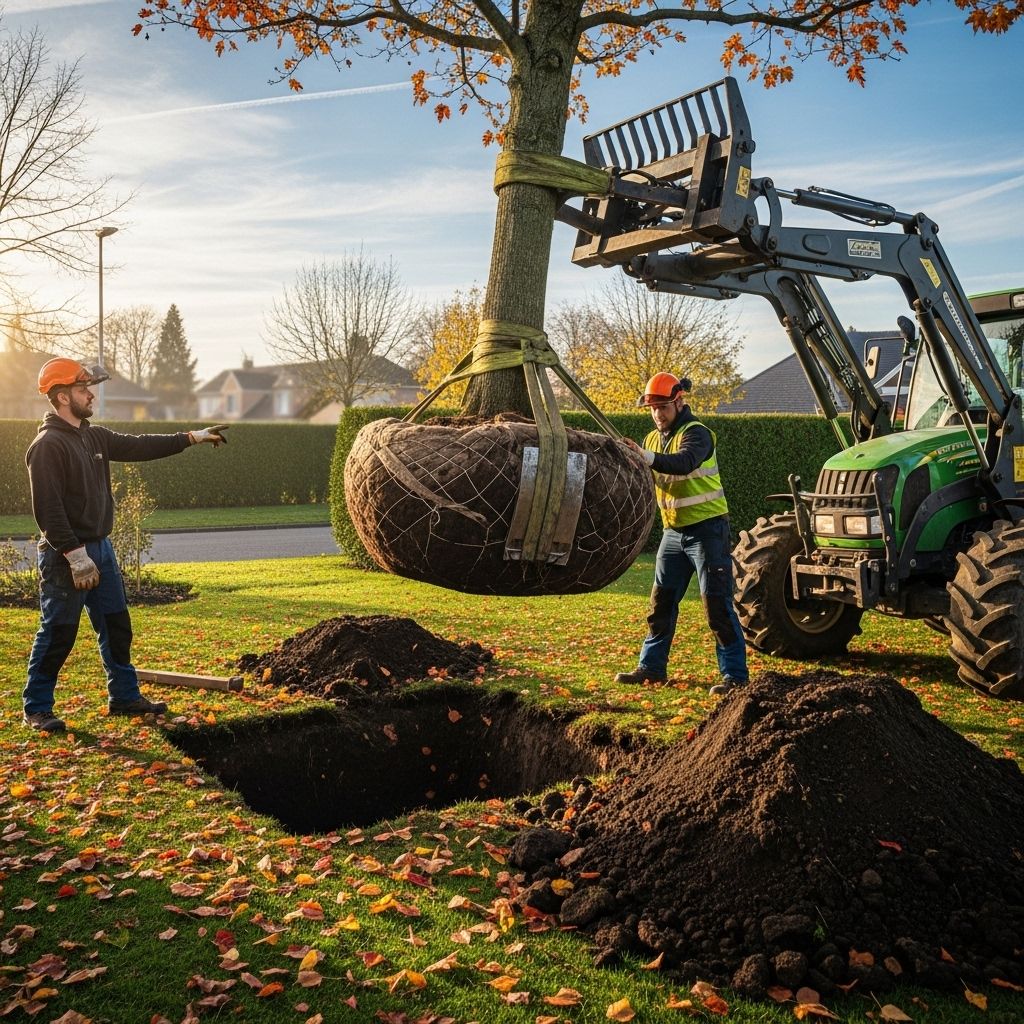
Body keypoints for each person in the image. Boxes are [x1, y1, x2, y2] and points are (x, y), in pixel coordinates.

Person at [22, 358, 230, 733]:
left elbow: (139, 445)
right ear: (62, 396)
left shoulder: (93, 435)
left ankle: (124, 696)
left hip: (102, 550)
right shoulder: (47, 445)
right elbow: (48, 511)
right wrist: (75, 555)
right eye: (84, 389)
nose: (91, 395)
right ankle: (37, 707)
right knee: (58, 633)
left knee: (117, 626)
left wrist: (191, 437)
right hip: (65, 557)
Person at [616, 372, 749, 695]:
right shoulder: (650, 440)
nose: (658, 414)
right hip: (673, 533)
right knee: (660, 603)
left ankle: (735, 677)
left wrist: (646, 458)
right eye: (653, 408)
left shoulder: (698, 433)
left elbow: (684, 463)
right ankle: (651, 667)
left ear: (679, 402)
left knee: (716, 606)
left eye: (663, 407)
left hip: (708, 531)